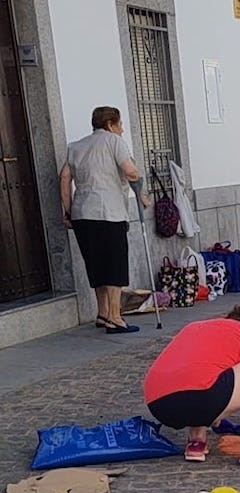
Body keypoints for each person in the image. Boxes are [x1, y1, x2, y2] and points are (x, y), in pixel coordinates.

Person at [143, 304, 240, 466]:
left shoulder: (194, 327)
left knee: (202, 374)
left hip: (158, 404)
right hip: (203, 396)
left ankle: (196, 441)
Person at [60, 105, 150, 333]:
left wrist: (68, 211)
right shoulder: (114, 142)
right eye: (120, 125)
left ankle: (101, 313)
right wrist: (139, 186)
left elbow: (65, 177)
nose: (121, 130)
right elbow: (130, 171)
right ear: (110, 125)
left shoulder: (76, 147)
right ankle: (115, 317)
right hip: (108, 214)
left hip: (82, 214)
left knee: (96, 265)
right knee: (114, 266)